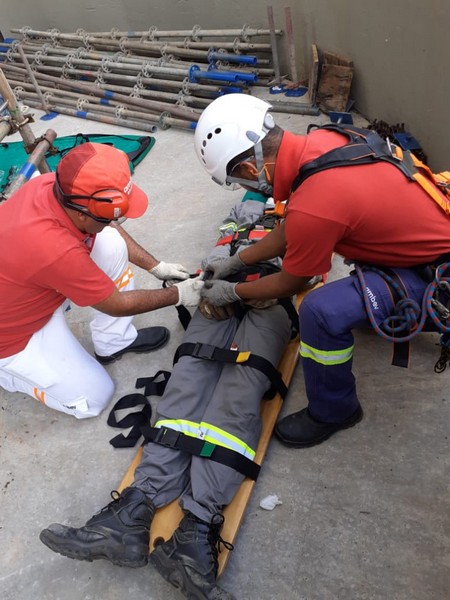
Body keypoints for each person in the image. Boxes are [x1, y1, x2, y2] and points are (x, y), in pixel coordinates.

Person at [39, 194, 294, 600]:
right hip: (221, 287)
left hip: (273, 294)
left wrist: (270, 286)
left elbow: (308, 271)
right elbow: (223, 246)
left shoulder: (312, 210)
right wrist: (210, 283)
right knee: (192, 371)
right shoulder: (243, 213)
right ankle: (132, 513)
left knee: (242, 385)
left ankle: (195, 528)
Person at [195, 93, 450, 448]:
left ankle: (334, 410)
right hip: (428, 248)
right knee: (347, 291)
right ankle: (388, 307)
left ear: (252, 170)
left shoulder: (317, 203)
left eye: (239, 181)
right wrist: (239, 261)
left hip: (437, 277)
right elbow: (292, 228)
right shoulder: (323, 142)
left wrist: (234, 291)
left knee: (319, 312)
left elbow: (293, 280)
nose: (244, 188)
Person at [0, 142, 204, 419]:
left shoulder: (56, 187)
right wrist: (179, 295)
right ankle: (9, 374)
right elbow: (116, 304)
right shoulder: (54, 248)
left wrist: (157, 267)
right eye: (106, 217)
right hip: (14, 337)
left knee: (109, 241)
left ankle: (113, 342)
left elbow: (109, 223)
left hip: (33, 290)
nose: (112, 222)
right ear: (83, 213)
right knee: (93, 398)